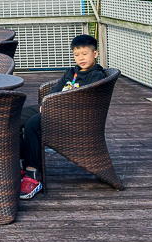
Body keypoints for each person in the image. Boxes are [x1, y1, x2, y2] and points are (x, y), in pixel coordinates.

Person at [19, 34, 106, 200]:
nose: (81, 58)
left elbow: (85, 101)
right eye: (77, 54)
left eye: (85, 54)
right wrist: (48, 103)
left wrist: (55, 107)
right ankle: (22, 162)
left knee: (32, 124)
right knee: (14, 118)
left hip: (71, 116)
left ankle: (32, 175)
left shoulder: (96, 76)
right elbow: (55, 89)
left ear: (95, 54)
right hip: (54, 107)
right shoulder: (71, 72)